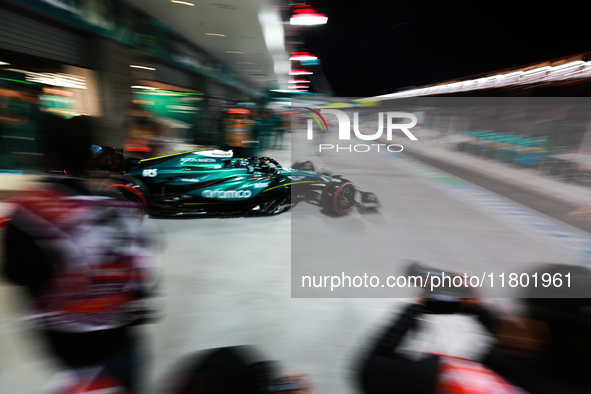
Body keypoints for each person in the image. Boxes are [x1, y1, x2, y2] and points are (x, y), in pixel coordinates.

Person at [2, 115, 159, 393]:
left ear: (48, 155)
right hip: (120, 341)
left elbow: (20, 273)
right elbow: (144, 282)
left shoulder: (28, 211)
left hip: (67, 345)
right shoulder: (119, 209)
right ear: (91, 155)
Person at [356, 263, 591, 394]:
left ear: (540, 332)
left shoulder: (460, 380)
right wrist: (477, 309)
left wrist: (417, 307)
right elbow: (521, 359)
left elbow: (373, 368)